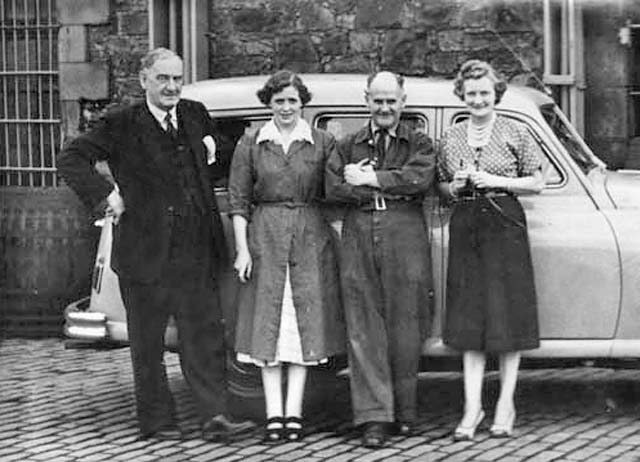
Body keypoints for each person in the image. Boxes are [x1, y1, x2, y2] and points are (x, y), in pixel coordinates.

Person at [56, 48, 254, 441]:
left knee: (205, 339)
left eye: (177, 78)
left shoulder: (195, 114)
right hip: (144, 255)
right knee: (147, 346)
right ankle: (157, 422)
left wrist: (226, 150)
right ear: (144, 79)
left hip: (196, 252)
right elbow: (72, 158)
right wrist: (105, 194)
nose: (172, 86)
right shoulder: (122, 123)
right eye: (163, 78)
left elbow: (220, 158)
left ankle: (215, 418)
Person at [228, 70, 345, 444]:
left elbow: (334, 190)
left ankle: (293, 413)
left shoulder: (322, 141)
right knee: (268, 324)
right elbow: (238, 200)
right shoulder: (251, 143)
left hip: (310, 237)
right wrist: (243, 249)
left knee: (300, 326)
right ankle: (272, 414)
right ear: (269, 103)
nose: (286, 108)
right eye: (279, 101)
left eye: (293, 101)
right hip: (266, 236)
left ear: (302, 103)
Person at [325, 71, 435, 448]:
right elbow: (333, 186)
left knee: (407, 321)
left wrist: (369, 178)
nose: (385, 107)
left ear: (403, 102)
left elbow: (419, 178)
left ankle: (404, 412)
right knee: (363, 322)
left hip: (404, 230)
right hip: (359, 227)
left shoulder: (418, 140)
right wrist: (374, 184)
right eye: (378, 100)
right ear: (366, 100)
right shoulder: (348, 143)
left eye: (392, 100)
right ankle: (374, 417)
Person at [437, 59, 544, 441]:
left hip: (505, 222)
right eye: (471, 94)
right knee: (470, 318)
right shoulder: (452, 137)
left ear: (495, 93)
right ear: (462, 96)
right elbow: (442, 187)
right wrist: (459, 184)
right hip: (467, 224)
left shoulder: (515, 129)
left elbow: (538, 181)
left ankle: (505, 404)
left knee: (507, 316)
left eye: (484, 92)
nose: (478, 99)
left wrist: (494, 178)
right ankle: (472, 407)